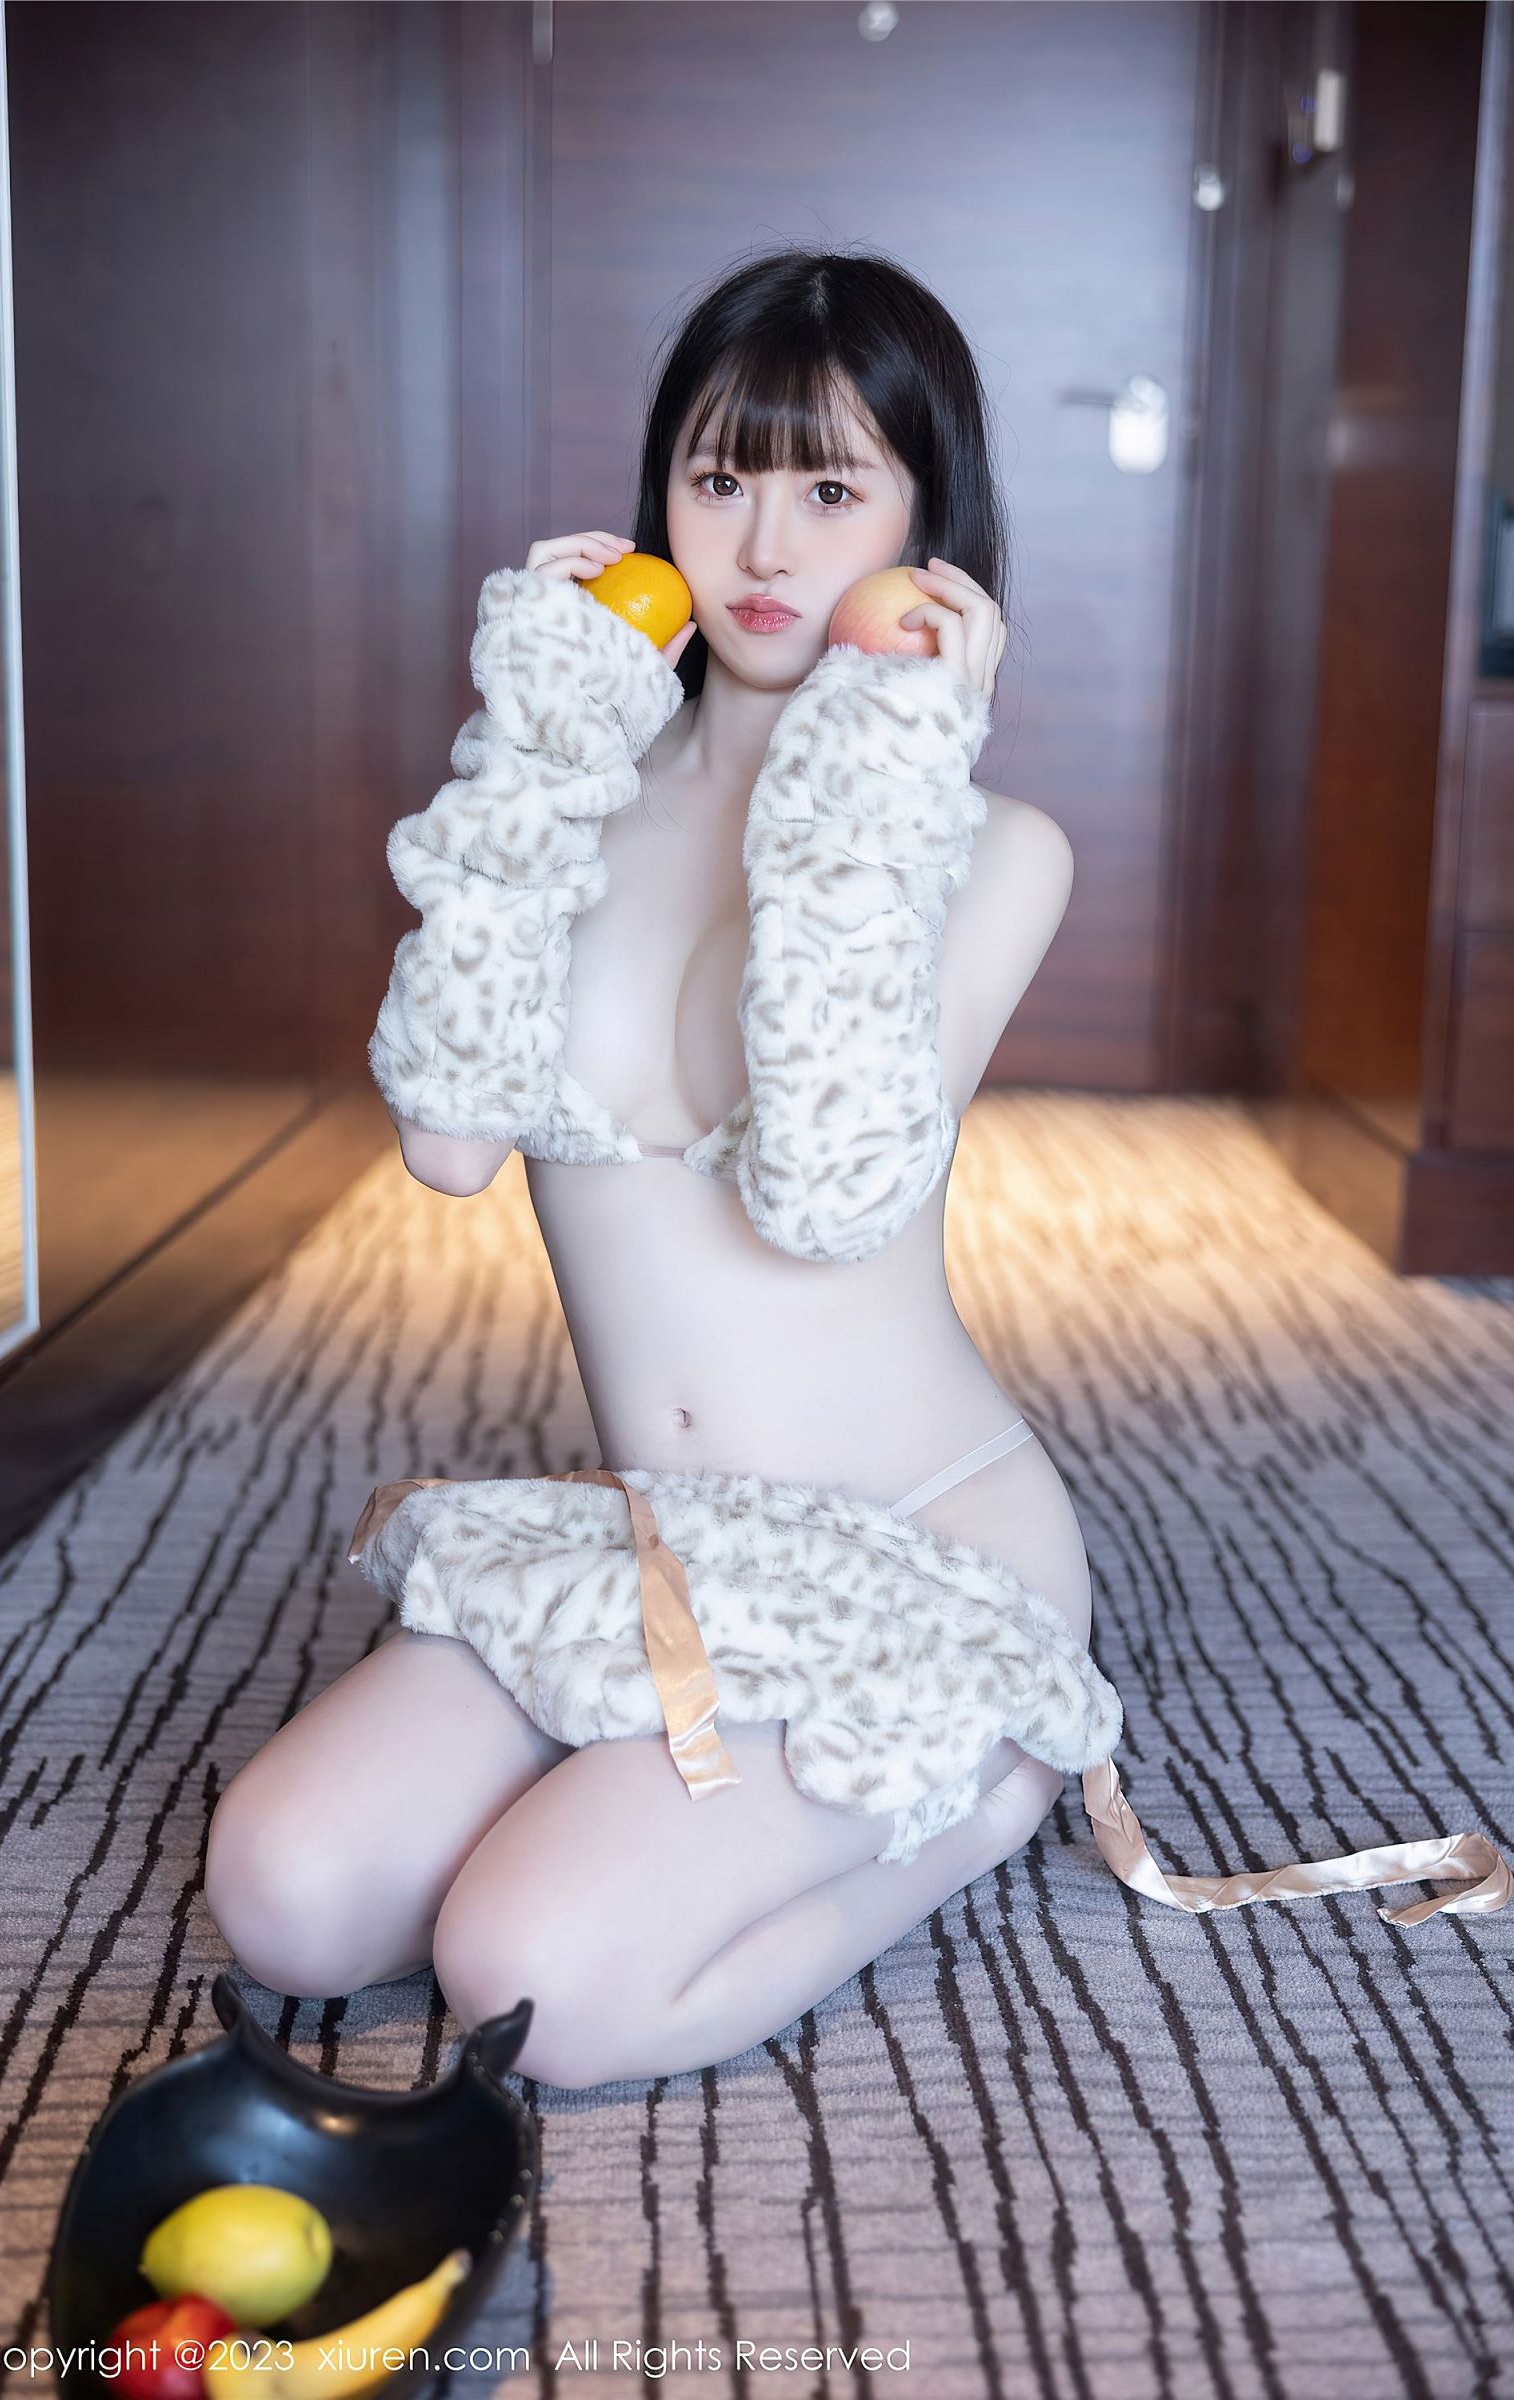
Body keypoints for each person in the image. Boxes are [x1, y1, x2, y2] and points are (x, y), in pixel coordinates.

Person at [203, 250, 1111, 2085]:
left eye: (833, 491)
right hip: (656, 1540)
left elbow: (829, 1190)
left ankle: (985, 1782)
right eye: (720, 480)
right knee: (283, 1894)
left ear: (928, 531)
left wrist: (885, 765)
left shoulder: (989, 849)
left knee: (531, 1978)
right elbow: (449, 1142)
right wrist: (538, 753)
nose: (766, 550)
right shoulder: (569, 800)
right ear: (661, 501)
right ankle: (648, 1781)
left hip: (911, 1545)